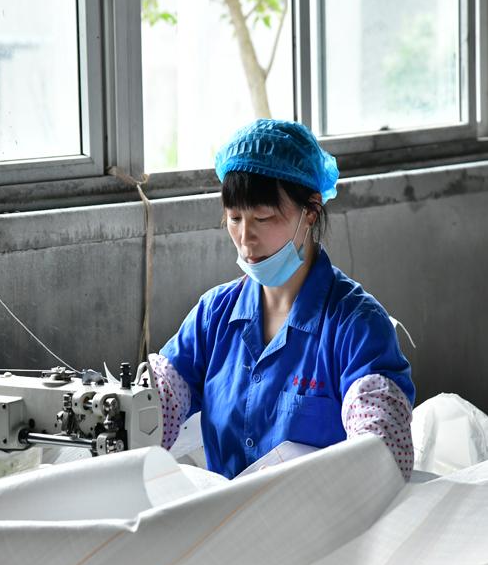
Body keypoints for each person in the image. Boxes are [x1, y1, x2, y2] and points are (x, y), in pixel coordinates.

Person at [150, 119, 415, 480]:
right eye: (235, 218)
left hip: (324, 514)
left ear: (311, 211)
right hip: (224, 513)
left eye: (263, 217)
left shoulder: (357, 326)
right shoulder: (213, 316)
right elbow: (156, 407)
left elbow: (380, 453)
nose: (246, 238)